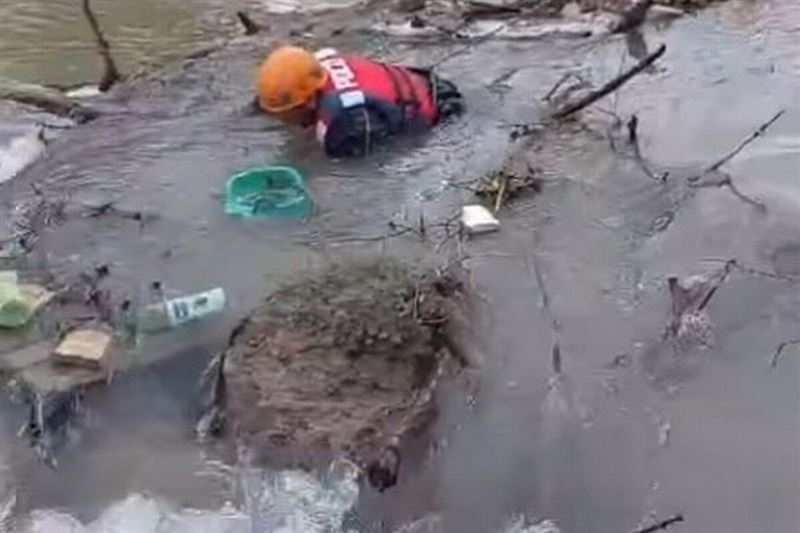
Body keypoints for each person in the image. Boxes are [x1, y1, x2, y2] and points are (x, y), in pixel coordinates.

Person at [256, 45, 463, 158]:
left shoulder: (349, 123)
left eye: (285, 115)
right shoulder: (317, 67)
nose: (281, 121)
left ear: (308, 102)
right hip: (420, 84)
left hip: (443, 112)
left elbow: (369, 168)